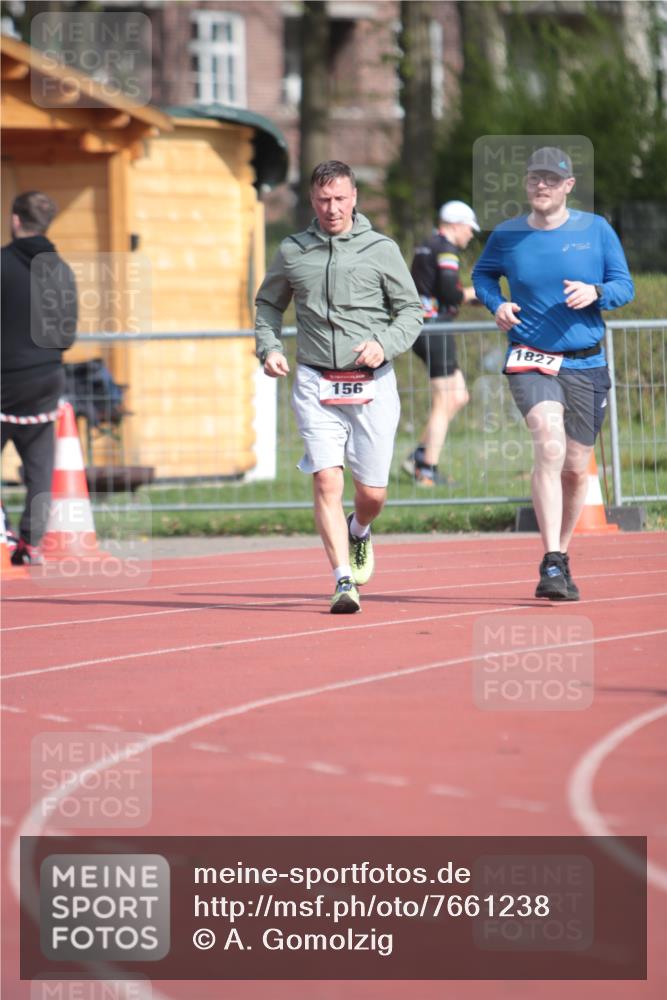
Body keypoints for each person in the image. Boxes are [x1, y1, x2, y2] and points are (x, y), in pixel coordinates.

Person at [255, 160, 422, 613]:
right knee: (327, 479)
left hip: (371, 384)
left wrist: (384, 344)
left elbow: (411, 312)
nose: (332, 208)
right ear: (312, 200)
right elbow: (268, 304)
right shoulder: (293, 250)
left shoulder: (381, 249)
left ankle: (359, 529)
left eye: (340, 199)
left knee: (372, 495)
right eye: (323, 200)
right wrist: (269, 347)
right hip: (316, 382)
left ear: (354, 198)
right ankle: (343, 580)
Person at [472, 147, 633, 600]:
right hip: (531, 357)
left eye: (550, 179)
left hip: (586, 361)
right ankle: (551, 558)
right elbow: (483, 276)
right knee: (548, 443)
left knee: (576, 468)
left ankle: (562, 552)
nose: (541, 185)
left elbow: (625, 286)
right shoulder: (508, 234)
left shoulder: (596, 230)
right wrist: (497, 304)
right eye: (534, 178)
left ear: (568, 185)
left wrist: (596, 292)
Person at [1, 191, 77, 564]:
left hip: (4, 377)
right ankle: (31, 544)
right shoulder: (61, 270)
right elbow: (66, 336)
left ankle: (4, 535)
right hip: (46, 377)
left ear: (16, 220)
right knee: (39, 464)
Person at [404, 200, 479, 486]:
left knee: (459, 396)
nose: (471, 235)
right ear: (456, 225)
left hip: (425, 327)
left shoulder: (426, 244)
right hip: (434, 329)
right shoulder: (446, 250)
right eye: (469, 228)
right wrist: (474, 295)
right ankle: (426, 469)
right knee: (444, 399)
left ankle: (420, 454)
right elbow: (449, 291)